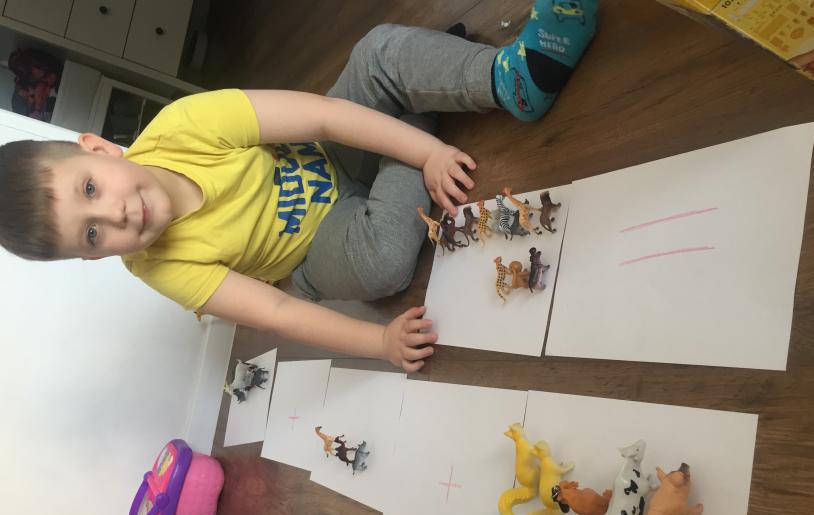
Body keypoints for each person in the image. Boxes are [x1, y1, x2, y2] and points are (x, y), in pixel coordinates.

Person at [0, 1, 598, 372]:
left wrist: (429, 154)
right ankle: (424, 96)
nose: (115, 215)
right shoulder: (160, 268)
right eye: (92, 235)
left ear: (99, 148)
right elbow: (279, 310)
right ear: (94, 257)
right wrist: (381, 343)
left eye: (89, 190)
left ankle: (506, 81)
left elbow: (324, 117)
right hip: (319, 246)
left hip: (331, 149)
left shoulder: (181, 126)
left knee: (376, 51)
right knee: (383, 264)